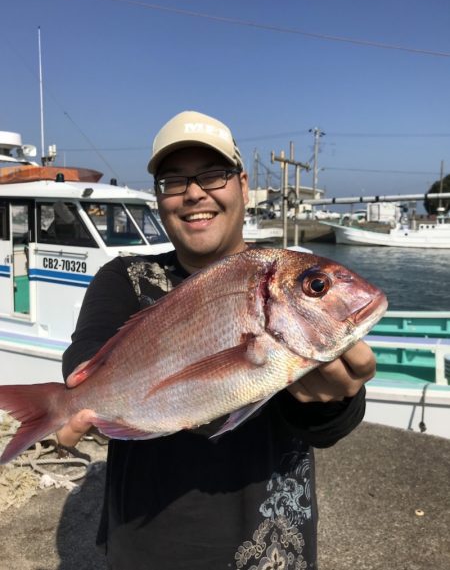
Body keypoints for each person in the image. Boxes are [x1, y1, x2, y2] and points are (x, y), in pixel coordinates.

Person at [58, 110, 376, 570]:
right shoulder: (123, 279)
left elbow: (326, 425)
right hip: (144, 550)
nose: (193, 193)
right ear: (159, 197)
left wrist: (334, 401)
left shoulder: (285, 274)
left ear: (243, 185)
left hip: (273, 552)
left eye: (213, 174)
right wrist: (77, 396)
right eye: (174, 180)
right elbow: (86, 357)